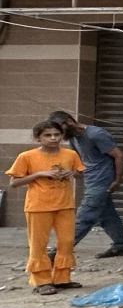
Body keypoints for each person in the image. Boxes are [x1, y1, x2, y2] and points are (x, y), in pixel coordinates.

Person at [7, 120, 85, 295]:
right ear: (38, 138)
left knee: (66, 242)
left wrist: (72, 173)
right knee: (38, 244)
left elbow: (80, 173)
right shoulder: (26, 157)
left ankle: (62, 279)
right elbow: (14, 182)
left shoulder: (70, 154)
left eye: (57, 135)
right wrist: (39, 174)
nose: (53, 138)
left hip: (65, 204)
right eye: (48, 135)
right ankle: (42, 281)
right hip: (38, 206)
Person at [48, 110, 123, 258]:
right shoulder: (74, 139)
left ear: (69, 122)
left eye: (60, 131)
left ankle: (61, 249)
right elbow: (82, 163)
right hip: (91, 180)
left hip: (102, 181)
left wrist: (118, 180)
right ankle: (121, 244)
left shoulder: (95, 134)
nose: (58, 136)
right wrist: (74, 173)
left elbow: (119, 155)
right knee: (106, 215)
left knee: (85, 215)